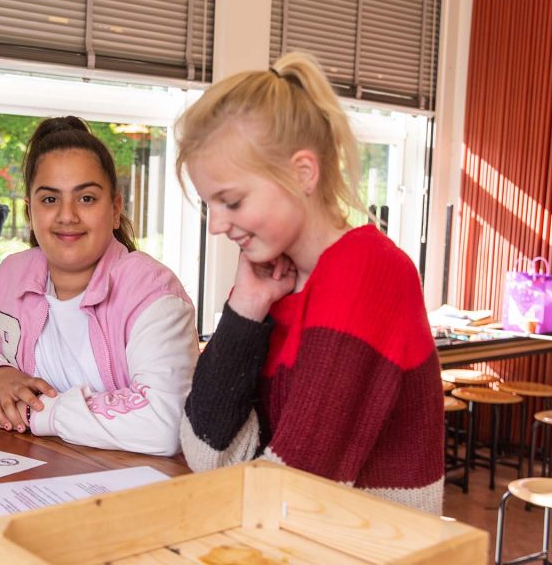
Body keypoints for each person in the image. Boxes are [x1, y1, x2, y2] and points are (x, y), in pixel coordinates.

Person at [175, 52, 444, 514]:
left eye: (232, 202)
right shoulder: (275, 283)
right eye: (210, 206)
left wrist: (242, 462)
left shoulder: (369, 269)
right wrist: (244, 308)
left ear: (302, 173)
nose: (217, 225)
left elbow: (291, 490)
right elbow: (204, 451)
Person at [0, 116, 198, 456]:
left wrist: (37, 413)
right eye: (49, 200)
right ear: (31, 212)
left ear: (115, 208)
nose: (67, 215)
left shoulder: (153, 292)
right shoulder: (11, 277)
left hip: (131, 487)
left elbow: (165, 423)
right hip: (34, 474)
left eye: (86, 198)